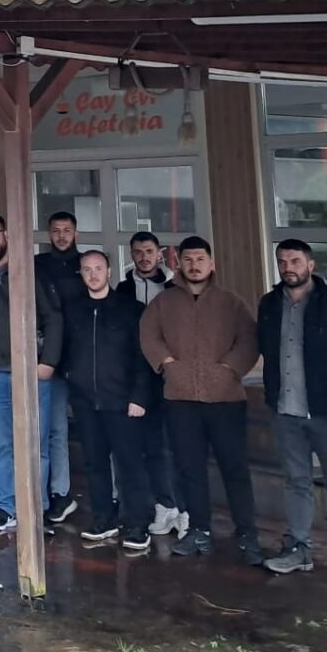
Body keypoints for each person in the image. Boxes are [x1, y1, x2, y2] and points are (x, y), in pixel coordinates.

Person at [139, 235, 262, 563]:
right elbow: (148, 335)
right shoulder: (164, 303)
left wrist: (229, 369)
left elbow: (249, 340)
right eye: (188, 260)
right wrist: (168, 366)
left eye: (200, 259)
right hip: (180, 400)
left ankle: (247, 533)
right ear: (179, 263)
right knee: (189, 469)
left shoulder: (231, 302)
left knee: (235, 469)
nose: (194, 265)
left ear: (211, 263)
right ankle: (199, 530)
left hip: (226, 400)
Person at [256, 238, 327, 586]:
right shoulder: (270, 304)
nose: (288, 268)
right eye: (282, 262)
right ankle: (299, 549)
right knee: (296, 482)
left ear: (310, 265)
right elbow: (266, 348)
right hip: (286, 410)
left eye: (295, 261)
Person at [0, 212, 64, 533]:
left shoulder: (30, 271)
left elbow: (54, 318)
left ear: (6, 234)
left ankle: (36, 510)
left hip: (32, 371)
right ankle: (6, 508)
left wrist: (48, 362)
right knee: (1, 445)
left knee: (36, 445)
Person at [63, 251, 157, 554]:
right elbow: (66, 351)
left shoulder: (131, 309)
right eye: (87, 269)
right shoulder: (73, 310)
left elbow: (143, 358)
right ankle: (104, 519)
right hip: (86, 402)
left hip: (122, 401)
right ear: (81, 273)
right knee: (95, 463)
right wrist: (72, 381)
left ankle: (138, 524)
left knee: (130, 464)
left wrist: (139, 397)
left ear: (109, 271)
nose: (93, 275)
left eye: (98, 268)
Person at [118, 232, 183, 535]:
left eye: (148, 251)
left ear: (159, 254)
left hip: (169, 376)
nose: (143, 257)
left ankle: (176, 506)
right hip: (134, 379)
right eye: (138, 252)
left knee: (169, 446)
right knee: (139, 447)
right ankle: (150, 505)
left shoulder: (174, 288)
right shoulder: (123, 290)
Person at [34, 212, 84, 523]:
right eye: (56, 230)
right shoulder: (38, 266)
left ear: (76, 233)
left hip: (85, 359)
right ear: (48, 234)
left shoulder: (87, 264)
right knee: (54, 429)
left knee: (99, 431)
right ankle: (59, 492)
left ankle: (112, 495)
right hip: (50, 359)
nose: (62, 236)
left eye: (67, 230)